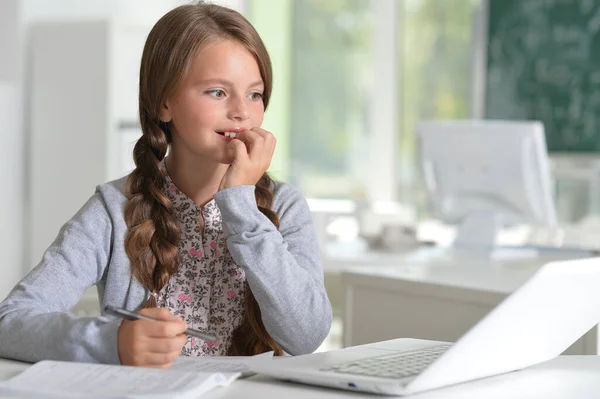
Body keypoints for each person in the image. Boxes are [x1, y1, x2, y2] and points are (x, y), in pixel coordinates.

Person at [0, 2, 332, 368]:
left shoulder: (284, 206)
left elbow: (306, 337)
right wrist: (112, 341)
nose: (242, 111)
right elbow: (10, 323)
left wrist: (241, 205)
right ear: (164, 104)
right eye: (217, 92)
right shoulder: (114, 210)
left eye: (254, 93)